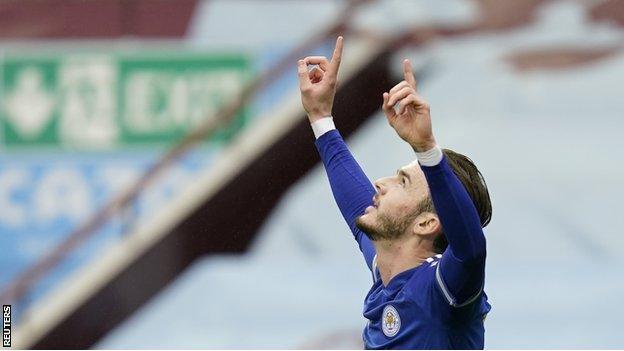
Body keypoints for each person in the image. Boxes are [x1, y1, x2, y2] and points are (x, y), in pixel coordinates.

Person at [297, 36, 493, 349]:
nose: (380, 184)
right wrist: (321, 117)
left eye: (402, 182)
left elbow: (471, 250)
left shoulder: (444, 290)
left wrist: (427, 149)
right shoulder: (388, 271)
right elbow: (358, 205)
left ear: (427, 223)